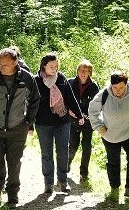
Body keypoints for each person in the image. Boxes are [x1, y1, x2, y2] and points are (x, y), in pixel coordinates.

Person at [0, 48, 40, 206]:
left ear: (15, 63)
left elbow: (35, 100)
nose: (1, 67)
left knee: (14, 162)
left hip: (17, 127)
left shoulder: (27, 77)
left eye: (6, 65)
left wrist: (28, 122)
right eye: (0, 63)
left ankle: (12, 193)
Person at [88, 71, 129, 201]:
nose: (118, 90)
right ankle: (114, 187)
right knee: (113, 162)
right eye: (115, 87)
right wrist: (99, 127)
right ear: (111, 85)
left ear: (126, 84)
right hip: (110, 134)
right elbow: (92, 110)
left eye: (121, 87)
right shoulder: (104, 94)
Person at [34, 53, 84, 194]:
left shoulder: (61, 78)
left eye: (56, 66)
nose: (55, 69)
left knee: (63, 152)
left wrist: (79, 114)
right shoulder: (36, 81)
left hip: (62, 122)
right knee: (47, 154)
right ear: (44, 66)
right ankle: (48, 183)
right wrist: (29, 123)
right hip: (43, 124)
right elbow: (31, 103)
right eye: (51, 66)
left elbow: (71, 98)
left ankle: (62, 181)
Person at [68, 60, 99, 183]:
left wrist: (89, 118)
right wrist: (69, 110)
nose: (83, 73)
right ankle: (65, 167)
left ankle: (83, 173)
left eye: (86, 71)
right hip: (73, 119)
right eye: (81, 70)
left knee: (86, 148)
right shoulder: (70, 83)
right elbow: (64, 98)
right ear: (77, 71)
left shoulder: (94, 86)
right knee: (73, 146)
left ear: (90, 73)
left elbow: (97, 104)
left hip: (88, 121)